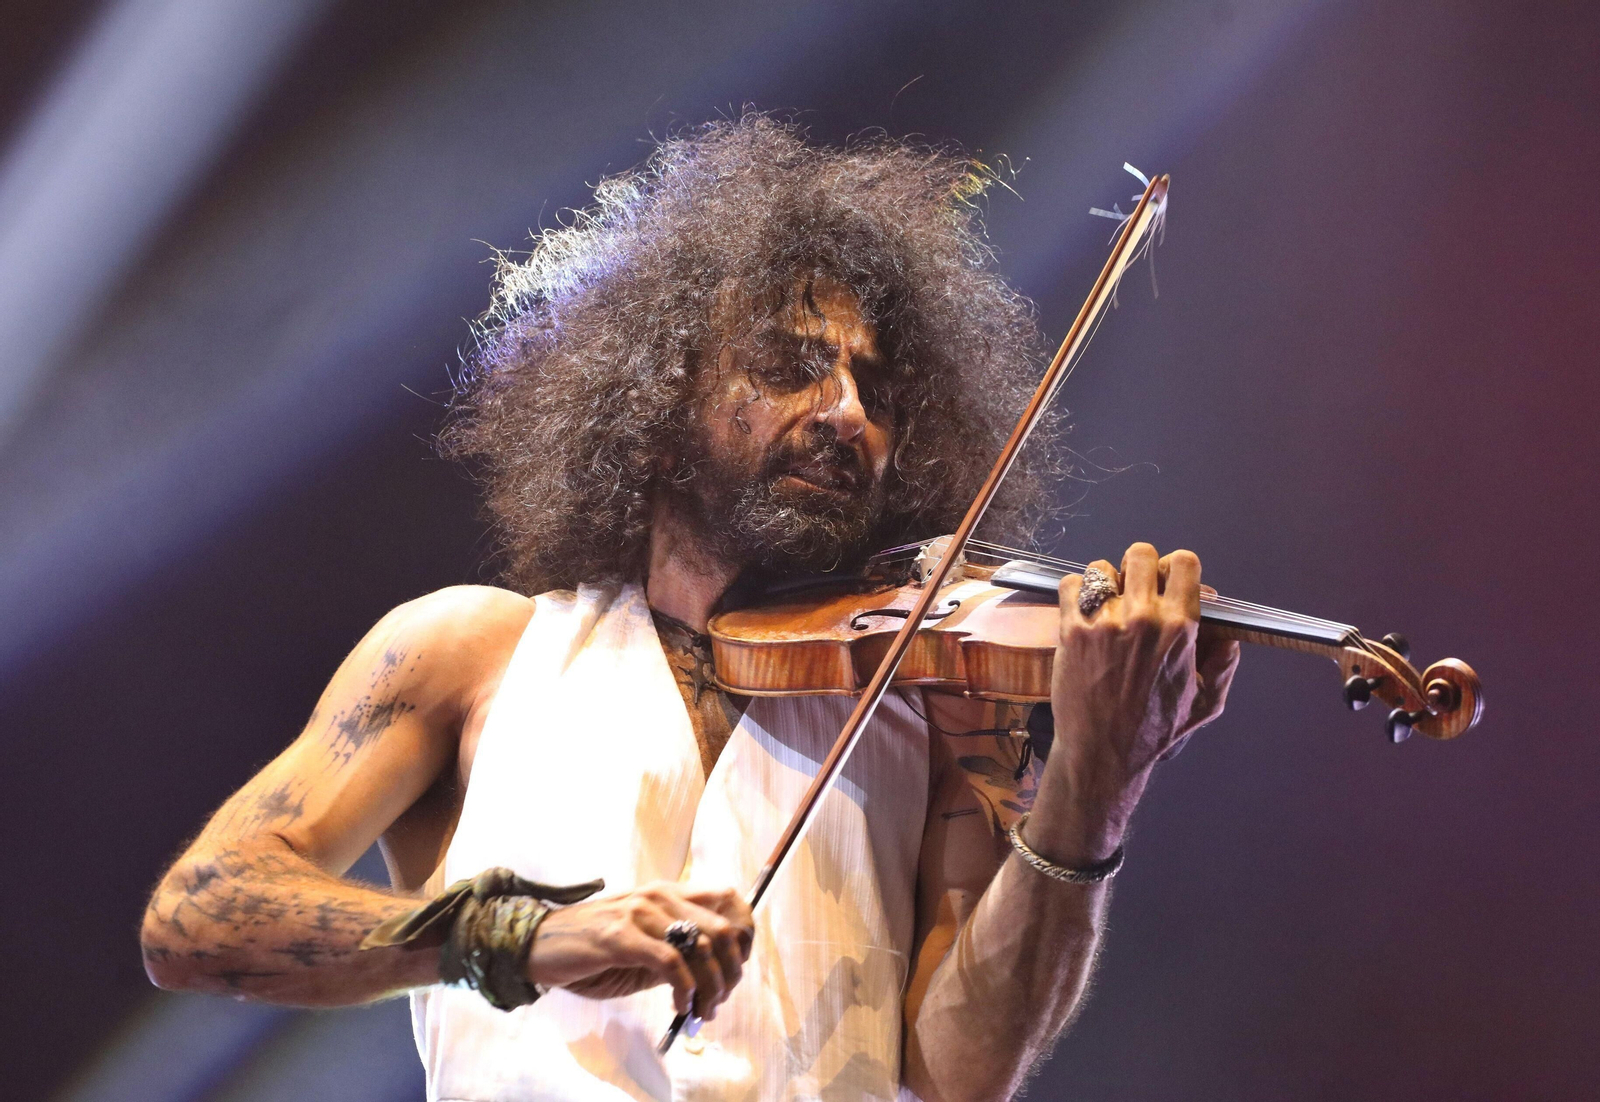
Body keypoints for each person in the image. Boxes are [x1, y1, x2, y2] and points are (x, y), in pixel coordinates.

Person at [142, 115, 1238, 1101]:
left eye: (875, 389)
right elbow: (200, 914)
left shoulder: (927, 709)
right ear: (657, 408)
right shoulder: (471, 654)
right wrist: (528, 935)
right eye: (791, 366)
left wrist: (1095, 778)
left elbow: (961, 1074)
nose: (847, 412)